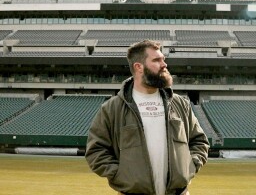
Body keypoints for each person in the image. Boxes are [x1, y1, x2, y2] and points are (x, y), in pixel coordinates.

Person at [85, 40, 210, 195]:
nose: (164, 64)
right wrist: (120, 175)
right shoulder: (112, 108)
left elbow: (199, 141)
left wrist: (189, 166)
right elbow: (96, 150)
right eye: (157, 60)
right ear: (139, 67)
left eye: (163, 59)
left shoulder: (180, 104)